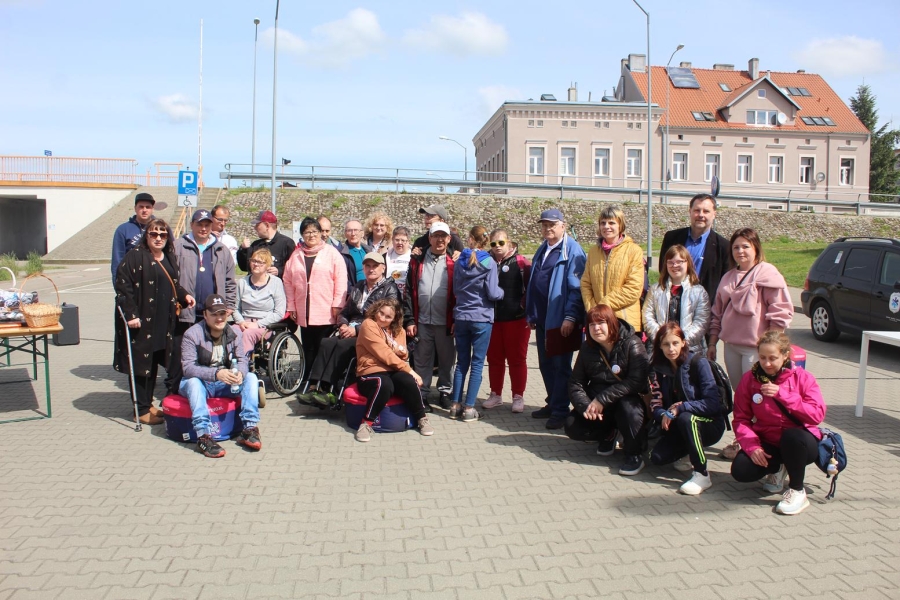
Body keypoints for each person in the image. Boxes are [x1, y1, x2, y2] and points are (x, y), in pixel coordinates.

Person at [708, 227, 793, 458]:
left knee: (760, 396)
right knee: (742, 396)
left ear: (756, 248)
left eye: (745, 246)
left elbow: (780, 312)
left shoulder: (768, 274)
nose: (740, 251)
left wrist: (772, 347)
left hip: (757, 350)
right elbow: (717, 313)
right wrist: (713, 342)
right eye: (736, 247)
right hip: (732, 346)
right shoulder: (728, 277)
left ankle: (762, 442)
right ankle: (744, 439)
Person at [730, 330, 826, 515]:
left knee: (791, 436)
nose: (767, 363)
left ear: (785, 355)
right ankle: (778, 468)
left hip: (800, 443)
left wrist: (782, 395)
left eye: (772, 358)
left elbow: (817, 415)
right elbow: (741, 419)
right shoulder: (750, 379)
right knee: (741, 470)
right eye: (762, 357)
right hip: (770, 442)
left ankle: (797, 491)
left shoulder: (803, 378)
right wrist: (752, 447)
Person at [114, 218, 195, 425]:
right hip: (141, 321)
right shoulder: (135, 256)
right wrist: (131, 315)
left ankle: (148, 404)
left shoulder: (168, 256)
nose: (158, 238)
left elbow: (173, 283)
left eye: (163, 234)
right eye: (154, 234)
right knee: (141, 364)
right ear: (147, 236)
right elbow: (123, 285)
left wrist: (184, 295)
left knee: (153, 362)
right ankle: (140, 410)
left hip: (163, 321)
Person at [298, 252, 399, 407]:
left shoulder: (390, 289)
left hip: (371, 333)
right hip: (350, 329)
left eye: (375, 266)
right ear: (363, 268)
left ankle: (330, 391)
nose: (371, 269)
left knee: (342, 345)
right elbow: (345, 312)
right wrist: (343, 324)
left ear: (383, 268)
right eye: (367, 266)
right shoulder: (359, 286)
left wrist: (357, 329)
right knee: (326, 342)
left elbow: (384, 319)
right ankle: (314, 387)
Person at [565, 304, 650, 476]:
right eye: (592, 324)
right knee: (572, 425)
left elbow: (636, 381)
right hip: (600, 404)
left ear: (612, 323)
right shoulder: (587, 348)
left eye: (601, 323)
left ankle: (634, 455)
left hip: (628, 400)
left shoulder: (632, 343)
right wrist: (585, 406)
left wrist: (602, 399)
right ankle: (609, 433)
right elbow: (576, 382)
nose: (596, 328)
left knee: (629, 410)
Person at [179, 294, 263, 458]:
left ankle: (249, 429)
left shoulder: (235, 333)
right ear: (205, 315)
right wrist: (216, 373)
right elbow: (188, 368)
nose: (219, 318)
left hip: (225, 383)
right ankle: (203, 436)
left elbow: (242, 360)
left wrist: (240, 373)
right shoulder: (191, 334)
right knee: (193, 382)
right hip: (201, 383)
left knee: (251, 378)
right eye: (214, 314)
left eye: (222, 314)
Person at [648, 322, 726, 495]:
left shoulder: (699, 363)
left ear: (683, 342)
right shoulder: (658, 369)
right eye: (666, 344)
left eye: (675, 343)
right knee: (657, 458)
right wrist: (663, 414)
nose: (671, 349)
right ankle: (689, 450)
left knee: (687, 418)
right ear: (659, 346)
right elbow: (655, 403)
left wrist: (682, 407)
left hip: (709, 423)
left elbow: (712, 403)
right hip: (678, 424)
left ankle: (701, 473)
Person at [526, 209, 586, 429]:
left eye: (552, 224)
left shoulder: (573, 250)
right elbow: (535, 281)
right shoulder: (544, 247)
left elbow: (576, 289)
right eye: (544, 225)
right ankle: (552, 402)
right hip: (543, 319)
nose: (547, 228)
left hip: (561, 320)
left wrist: (571, 316)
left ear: (563, 225)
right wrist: (531, 313)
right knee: (546, 365)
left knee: (561, 367)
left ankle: (561, 410)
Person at [166, 209, 237, 394]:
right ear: (192, 225)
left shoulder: (221, 249)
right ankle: (174, 390)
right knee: (180, 353)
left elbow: (230, 280)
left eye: (207, 225)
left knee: (209, 352)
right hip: (186, 312)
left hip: (213, 313)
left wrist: (229, 305)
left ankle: (207, 388)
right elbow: (171, 278)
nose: (203, 228)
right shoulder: (178, 246)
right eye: (199, 224)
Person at [354, 298, 433, 442]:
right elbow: (385, 353)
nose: (382, 318)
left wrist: (400, 355)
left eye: (388, 317)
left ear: (394, 319)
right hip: (370, 371)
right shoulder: (368, 324)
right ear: (376, 310)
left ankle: (422, 418)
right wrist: (410, 369)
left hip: (392, 370)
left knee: (408, 381)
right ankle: (366, 423)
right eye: (381, 313)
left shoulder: (399, 331)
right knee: (384, 384)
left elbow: (403, 355)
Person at [448, 226, 505, 421]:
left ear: (470, 239)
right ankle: (469, 408)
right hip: (481, 317)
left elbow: (456, 289)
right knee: (478, 363)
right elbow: (493, 293)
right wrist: (503, 292)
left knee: (461, 363)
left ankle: (455, 405)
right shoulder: (489, 262)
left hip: (462, 316)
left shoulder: (459, 261)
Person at [283, 217, 347, 376]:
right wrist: (291, 305)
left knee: (323, 347)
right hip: (303, 309)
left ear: (320, 233)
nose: (311, 235)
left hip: (326, 309)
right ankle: (307, 379)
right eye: (307, 232)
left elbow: (341, 279)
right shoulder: (296, 255)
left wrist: (338, 304)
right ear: (302, 235)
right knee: (308, 347)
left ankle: (321, 381)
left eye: (314, 231)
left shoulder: (332, 253)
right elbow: (288, 281)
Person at [404, 222, 457, 410]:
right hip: (422, 321)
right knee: (422, 360)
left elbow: (461, 293)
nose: (439, 239)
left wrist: (456, 319)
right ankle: (422, 393)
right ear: (430, 238)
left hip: (446, 322)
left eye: (443, 236)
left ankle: (445, 392)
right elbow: (408, 291)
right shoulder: (417, 260)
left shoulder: (455, 261)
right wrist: (409, 320)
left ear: (449, 239)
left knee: (447, 360)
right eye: (436, 236)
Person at [482, 228, 531, 414]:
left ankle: (518, 396)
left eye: (501, 243)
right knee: (494, 359)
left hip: (517, 320)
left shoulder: (521, 263)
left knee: (517, 360)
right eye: (493, 244)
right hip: (492, 320)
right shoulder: (486, 261)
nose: (497, 247)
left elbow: (531, 289)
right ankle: (495, 394)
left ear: (509, 243)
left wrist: (526, 311)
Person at [581, 204, 644, 332]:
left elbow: (634, 288)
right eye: (603, 223)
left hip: (624, 322)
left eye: (611, 223)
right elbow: (586, 283)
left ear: (620, 225)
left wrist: (603, 305)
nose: (606, 226)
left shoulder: (634, 251)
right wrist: (592, 308)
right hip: (598, 321)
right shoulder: (593, 252)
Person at [659, 193, 730, 306]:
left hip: (705, 307)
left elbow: (726, 283)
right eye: (697, 210)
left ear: (714, 214)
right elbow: (663, 269)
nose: (701, 215)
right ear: (690, 212)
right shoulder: (671, 238)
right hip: (672, 303)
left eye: (706, 211)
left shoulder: (724, 246)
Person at [642, 244, 711, 354]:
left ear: (687, 263)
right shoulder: (655, 290)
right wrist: (662, 340)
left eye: (679, 262)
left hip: (689, 349)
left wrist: (680, 342)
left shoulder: (699, 292)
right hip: (659, 348)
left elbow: (701, 322)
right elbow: (647, 316)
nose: (674, 265)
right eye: (670, 262)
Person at [233, 248, 287, 357]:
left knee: (248, 334)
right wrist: (241, 322)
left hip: (265, 325)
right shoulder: (242, 282)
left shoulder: (276, 282)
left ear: (268, 265)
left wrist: (257, 324)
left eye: (260, 262)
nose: (256, 264)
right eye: (253, 261)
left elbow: (279, 312)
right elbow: (235, 308)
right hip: (244, 322)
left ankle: (242, 363)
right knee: (230, 331)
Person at [111, 192, 159, 283]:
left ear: (152, 209)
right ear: (135, 208)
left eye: (148, 207)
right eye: (141, 207)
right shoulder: (123, 230)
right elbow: (117, 260)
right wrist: (117, 284)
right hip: (132, 280)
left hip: (156, 279)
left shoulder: (161, 228)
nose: (144, 210)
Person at [237, 210, 296, 278]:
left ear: (267, 225)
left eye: (257, 225)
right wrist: (243, 250)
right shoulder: (255, 245)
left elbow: (294, 267)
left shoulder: (286, 243)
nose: (255, 228)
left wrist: (279, 271)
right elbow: (244, 267)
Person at [339, 219, 374, 288]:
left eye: (356, 230)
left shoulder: (369, 250)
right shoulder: (342, 254)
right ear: (345, 234)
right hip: (355, 291)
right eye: (349, 230)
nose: (353, 234)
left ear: (362, 233)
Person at [385, 226, 412, 297]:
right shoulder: (385, 257)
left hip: (407, 297)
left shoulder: (414, 257)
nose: (400, 243)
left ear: (408, 241)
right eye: (397, 240)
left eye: (403, 240)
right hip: (389, 296)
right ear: (392, 240)